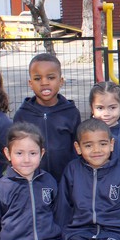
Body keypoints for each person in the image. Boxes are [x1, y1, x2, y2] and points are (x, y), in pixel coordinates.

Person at [13, 52, 81, 180]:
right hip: (33, 180)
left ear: (61, 81)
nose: (44, 82)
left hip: (65, 180)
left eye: (51, 77)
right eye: (38, 79)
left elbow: (77, 149)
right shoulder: (22, 115)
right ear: (30, 83)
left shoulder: (71, 113)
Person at [90, 81, 120, 164]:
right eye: (100, 108)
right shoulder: (85, 134)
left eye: (112, 107)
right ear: (92, 108)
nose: (106, 113)